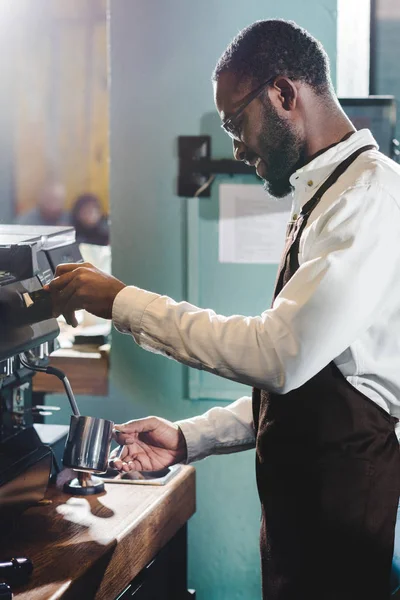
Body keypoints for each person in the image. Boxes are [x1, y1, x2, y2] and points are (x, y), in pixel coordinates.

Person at [46, 19, 400, 600]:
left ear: (284, 95)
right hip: (300, 531)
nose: (236, 147)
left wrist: (120, 300)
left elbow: (279, 356)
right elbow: (311, 386)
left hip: (341, 539)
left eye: (236, 123)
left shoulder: (367, 201)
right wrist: (188, 438)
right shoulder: (327, 195)